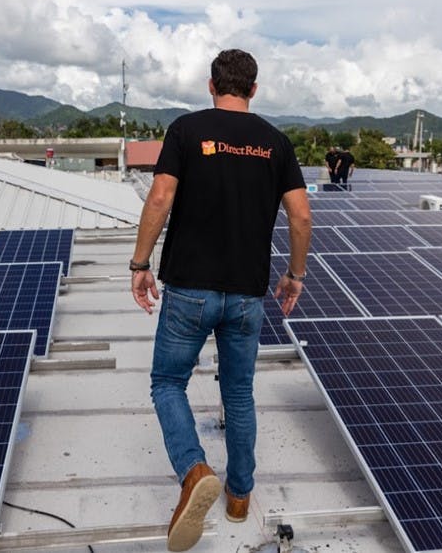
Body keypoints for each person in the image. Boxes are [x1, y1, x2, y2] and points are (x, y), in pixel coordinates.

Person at [130, 49, 311, 552]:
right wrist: (295, 275)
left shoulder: (186, 130)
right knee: (239, 393)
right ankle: (238, 496)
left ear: (212, 84)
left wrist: (140, 265)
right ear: (254, 89)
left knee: (168, 382)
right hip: (248, 296)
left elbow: (161, 198)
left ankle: (193, 471)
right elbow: (300, 216)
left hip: (189, 289)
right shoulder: (276, 141)